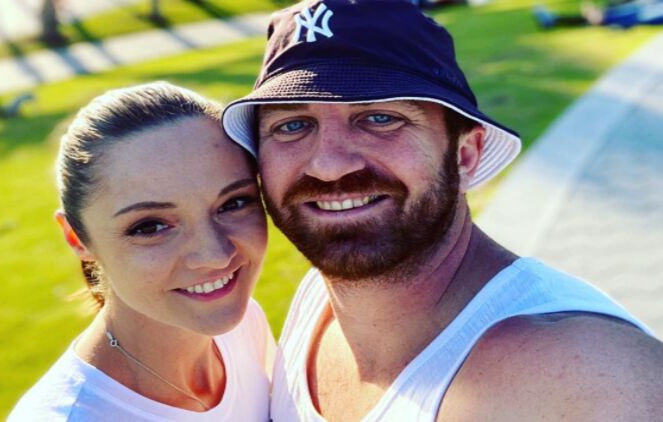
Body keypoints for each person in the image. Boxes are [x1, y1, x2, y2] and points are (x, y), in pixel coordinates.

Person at [221, 1, 663, 420]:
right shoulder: (318, 301)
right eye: (293, 125)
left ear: (465, 155)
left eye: (380, 118)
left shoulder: (588, 378)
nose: (330, 165)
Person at [9, 81, 274, 421]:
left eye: (234, 203)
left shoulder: (244, 325)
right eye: (150, 226)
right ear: (77, 238)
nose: (215, 255)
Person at [533, 0, 663, 29]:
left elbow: (644, 15)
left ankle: (552, 20)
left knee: (602, 16)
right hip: (638, 10)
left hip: (636, 13)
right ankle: (553, 20)